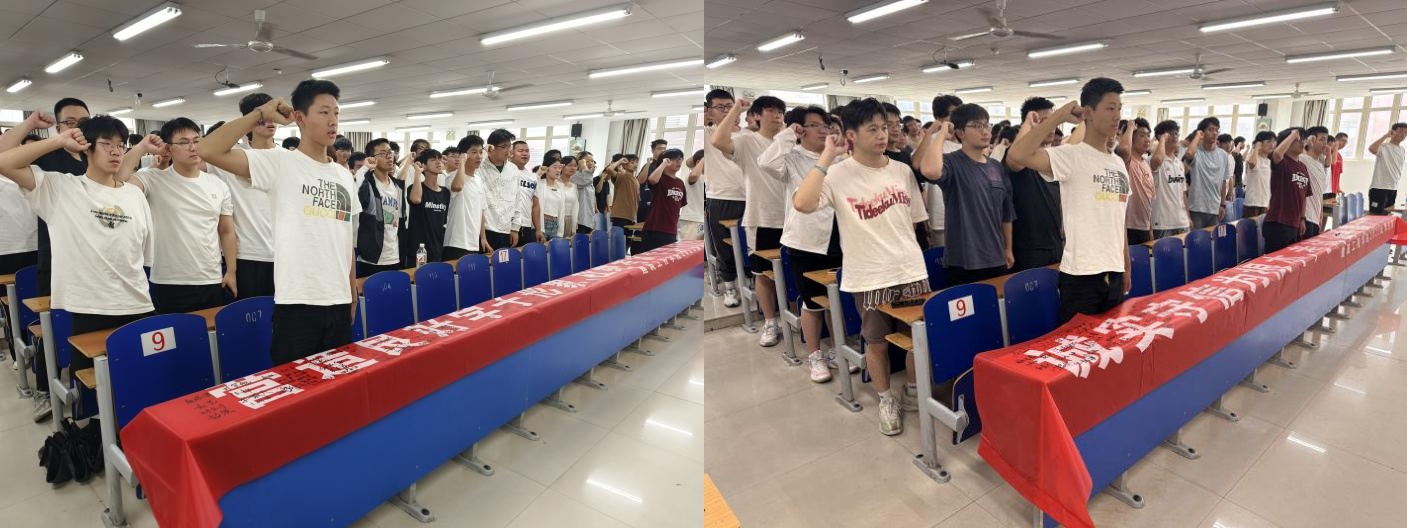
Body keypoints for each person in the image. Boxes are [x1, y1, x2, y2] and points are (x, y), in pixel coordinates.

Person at [198, 80, 360, 366]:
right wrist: (260, 113)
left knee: (336, 387)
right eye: (323, 112)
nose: (333, 121)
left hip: (339, 301)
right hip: (297, 303)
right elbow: (208, 149)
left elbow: (345, 239)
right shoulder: (279, 162)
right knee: (294, 387)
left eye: (336, 113)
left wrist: (351, 292)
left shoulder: (344, 176)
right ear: (300, 118)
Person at [0, 117, 155, 415]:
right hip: (89, 306)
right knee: (92, 397)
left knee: (141, 383)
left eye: (121, 145)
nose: (116, 151)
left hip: (138, 302)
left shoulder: (134, 194)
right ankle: (95, 435)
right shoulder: (61, 188)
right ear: (87, 148)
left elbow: (144, 251)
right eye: (106, 144)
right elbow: (4, 162)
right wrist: (58, 140)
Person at [794, 98, 929, 435]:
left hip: (910, 271)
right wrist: (827, 155)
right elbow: (803, 203)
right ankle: (885, 398)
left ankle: (913, 389)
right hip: (868, 275)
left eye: (884, 127)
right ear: (851, 135)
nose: (883, 135)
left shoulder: (902, 170)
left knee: (916, 338)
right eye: (873, 129)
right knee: (876, 342)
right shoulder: (838, 173)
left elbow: (914, 220)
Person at [1008, 78, 1130, 323]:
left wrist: (1125, 265)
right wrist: (1058, 116)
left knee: (1110, 342)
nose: (1117, 115)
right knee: (1077, 344)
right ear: (1089, 112)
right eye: (1109, 108)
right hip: (1081, 275)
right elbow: (1018, 154)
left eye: (1119, 108)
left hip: (1114, 272)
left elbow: (1119, 219)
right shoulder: (1070, 156)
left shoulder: (1118, 163)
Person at [760, 106, 845, 382]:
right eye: (815, 125)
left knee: (836, 300)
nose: (823, 130)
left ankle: (837, 349)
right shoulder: (792, 158)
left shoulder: (839, 157)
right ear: (800, 129)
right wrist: (788, 134)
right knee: (812, 302)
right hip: (805, 241)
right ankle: (815, 355)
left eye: (826, 125)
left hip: (839, 238)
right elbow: (765, 162)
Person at [118, 119, 235, 314]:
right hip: (168, 281)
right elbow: (118, 179)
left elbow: (226, 230)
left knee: (210, 332)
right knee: (173, 332)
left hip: (210, 278)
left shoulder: (218, 184)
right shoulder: (153, 178)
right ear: (169, 148)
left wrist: (231, 271)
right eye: (183, 142)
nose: (193, 147)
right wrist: (141, 147)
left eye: (196, 141)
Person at [711, 95, 786, 347]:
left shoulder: (790, 142)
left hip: (793, 219)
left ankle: (793, 317)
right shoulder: (747, 141)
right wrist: (736, 108)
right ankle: (770, 322)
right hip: (762, 217)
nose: (777, 115)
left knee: (790, 273)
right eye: (770, 110)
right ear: (756, 116)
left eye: (780, 111)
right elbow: (718, 141)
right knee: (762, 274)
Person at [918, 103, 1015, 285]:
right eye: (977, 126)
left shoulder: (996, 167)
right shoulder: (951, 162)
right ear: (960, 132)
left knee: (996, 303)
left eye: (986, 125)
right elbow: (929, 170)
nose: (985, 131)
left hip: (996, 257)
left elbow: (1006, 213)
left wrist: (1008, 248)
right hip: (964, 260)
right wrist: (941, 134)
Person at [200, 93, 280, 299]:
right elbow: (202, 151)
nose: (270, 121)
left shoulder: (289, 157)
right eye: (264, 116)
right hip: (247, 256)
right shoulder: (230, 158)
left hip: (285, 255)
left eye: (274, 115)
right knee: (251, 315)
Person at [1006, 97, 1064, 272]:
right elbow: (1015, 160)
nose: (1051, 127)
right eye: (1044, 122)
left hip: (1055, 243)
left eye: (1053, 121)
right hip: (1029, 248)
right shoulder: (1019, 156)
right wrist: (1027, 124)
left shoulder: (1051, 156)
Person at [702, 88, 747, 307]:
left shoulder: (747, 134)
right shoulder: (708, 133)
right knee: (724, 247)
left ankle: (750, 281)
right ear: (710, 112)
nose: (727, 111)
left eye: (730, 106)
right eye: (720, 107)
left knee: (750, 245)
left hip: (750, 198)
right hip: (721, 198)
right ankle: (730, 288)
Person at [912, 94, 963, 248]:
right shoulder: (933, 140)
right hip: (941, 214)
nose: (958, 118)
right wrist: (932, 131)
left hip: (965, 212)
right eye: (953, 114)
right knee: (943, 257)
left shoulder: (965, 140)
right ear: (940, 118)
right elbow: (916, 163)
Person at [354, 138, 407, 277]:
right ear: (372, 158)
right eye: (383, 153)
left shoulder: (397, 186)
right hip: (372, 258)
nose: (389, 156)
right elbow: (355, 193)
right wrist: (365, 168)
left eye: (390, 152)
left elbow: (400, 220)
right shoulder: (368, 184)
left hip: (394, 255)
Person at [1263, 128, 1310, 253]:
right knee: (1275, 262)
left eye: (1303, 140)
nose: (1302, 143)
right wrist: (1293, 134)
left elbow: (1304, 195)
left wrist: (1302, 219)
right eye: (1298, 140)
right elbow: (1277, 154)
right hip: (1277, 222)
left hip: (1294, 223)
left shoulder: (1303, 167)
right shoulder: (1283, 162)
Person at [1183, 117, 1234, 229]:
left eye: (1216, 130)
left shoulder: (1223, 155)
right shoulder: (1197, 153)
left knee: (1212, 239)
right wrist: (1197, 136)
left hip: (1214, 208)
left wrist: (1222, 204)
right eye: (1211, 130)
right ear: (1202, 133)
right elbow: (1189, 154)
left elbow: (1223, 181)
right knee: (1196, 239)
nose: (1214, 133)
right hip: (1197, 208)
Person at [478, 129, 524, 250]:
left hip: (505, 229)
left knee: (503, 261)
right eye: (503, 147)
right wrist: (484, 151)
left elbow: (517, 199)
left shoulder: (513, 169)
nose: (508, 150)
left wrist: (515, 228)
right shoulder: (479, 167)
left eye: (509, 146)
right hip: (484, 229)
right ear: (491, 147)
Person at [444, 135, 488, 260]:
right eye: (474, 152)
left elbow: (481, 211)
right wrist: (462, 162)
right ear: (463, 155)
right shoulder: (452, 176)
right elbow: (457, 186)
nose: (479, 156)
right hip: (455, 242)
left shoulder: (479, 180)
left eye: (481, 152)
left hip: (473, 242)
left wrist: (483, 237)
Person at [639, 149, 687, 252]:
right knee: (651, 259)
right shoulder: (660, 178)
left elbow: (679, 205)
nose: (679, 161)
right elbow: (652, 180)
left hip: (671, 230)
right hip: (655, 228)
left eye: (680, 159)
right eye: (674, 159)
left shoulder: (680, 183)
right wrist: (664, 163)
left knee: (667, 260)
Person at [406, 148, 450, 263]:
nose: (438, 162)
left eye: (439, 159)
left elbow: (443, 221)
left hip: (437, 248)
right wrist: (417, 172)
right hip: (419, 250)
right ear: (424, 166)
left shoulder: (445, 192)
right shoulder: (415, 188)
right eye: (433, 159)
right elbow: (416, 199)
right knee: (419, 274)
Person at [1150, 120, 1190, 238]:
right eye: (1170, 134)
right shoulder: (1154, 160)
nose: (1175, 137)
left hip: (1181, 221)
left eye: (1176, 133)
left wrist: (1187, 216)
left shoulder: (1179, 163)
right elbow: (1157, 160)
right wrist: (1162, 139)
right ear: (1161, 136)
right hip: (1163, 223)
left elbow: (1183, 193)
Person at [1120, 118, 1155, 245]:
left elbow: (1149, 198)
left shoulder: (1145, 163)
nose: (1147, 139)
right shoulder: (1127, 161)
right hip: (1129, 226)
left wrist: (1150, 228)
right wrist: (1130, 127)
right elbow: (1124, 148)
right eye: (1142, 135)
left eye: (1148, 135)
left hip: (1144, 227)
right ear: (1132, 138)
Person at [1299, 126, 1334, 237]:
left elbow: (1319, 194)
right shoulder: (1302, 159)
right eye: (1321, 140)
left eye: (1326, 140)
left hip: (1315, 218)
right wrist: (1306, 142)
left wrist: (1320, 217)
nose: (1325, 144)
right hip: (1305, 218)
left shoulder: (1319, 165)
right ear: (1312, 140)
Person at [1367, 123, 1407, 214]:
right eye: (1400, 131)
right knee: (1376, 216)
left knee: (1387, 216)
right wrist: (1386, 136)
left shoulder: (1402, 150)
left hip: (1393, 188)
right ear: (1393, 132)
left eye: (1405, 132)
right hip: (1379, 187)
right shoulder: (1384, 146)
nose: (1403, 134)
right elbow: (1372, 149)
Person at [511, 142, 542, 246]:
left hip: (526, 226)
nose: (524, 154)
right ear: (511, 153)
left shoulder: (532, 177)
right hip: (509, 226)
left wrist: (538, 229)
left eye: (527, 151)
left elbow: (535, 205)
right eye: (520, 151)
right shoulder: (507, 172)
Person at [1243, 131, 1276, 218]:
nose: (1272, 144)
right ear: (1260, 143)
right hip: (1252, 203)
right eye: (1268, 141)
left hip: (1265, 203)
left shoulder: (1269, 162)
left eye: (1273, 142)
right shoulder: (1254, 158)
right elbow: (1251, 162)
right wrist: (1256, 148)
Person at [536, 159, 569, 238]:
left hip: (555, 225)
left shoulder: (561, 186)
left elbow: (562, 210)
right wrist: (539, 173)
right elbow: (533, 181)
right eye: (555, 167)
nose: (558, 170)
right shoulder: (540, 184)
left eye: (559, 168)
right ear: (547, 169)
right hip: (542, 224)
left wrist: (560, 232)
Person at [677, 150, 706, 240]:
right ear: (698, 162)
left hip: (702, 219)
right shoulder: (693, 175)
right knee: (687, 247)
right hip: (691, 219)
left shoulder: (707, 177)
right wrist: (704, 158)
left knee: (700, 248)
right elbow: (694, 175)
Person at [567, 153, 596, 234]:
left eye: (592, 161)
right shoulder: (575, 176)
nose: (590, 163)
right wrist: (583, 167)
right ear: (579, 162)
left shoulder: (588, 177)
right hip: (579, 220)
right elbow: (586, 180)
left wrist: (592, 220)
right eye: (587, 161)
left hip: (588, 219)